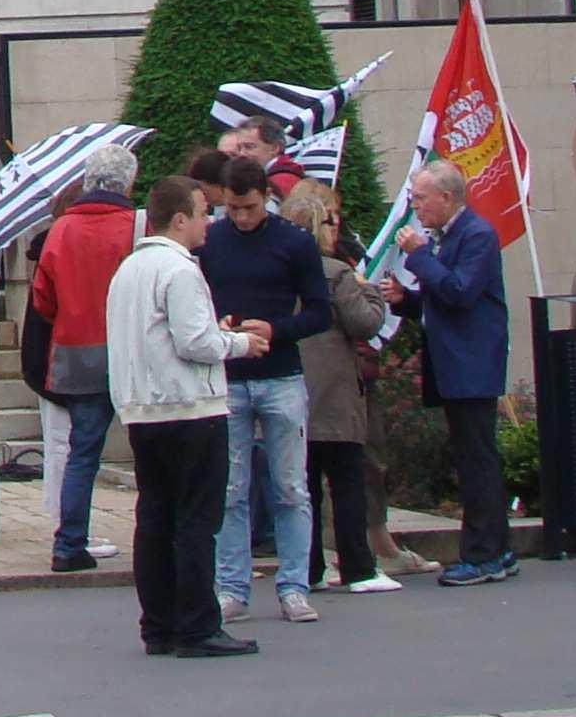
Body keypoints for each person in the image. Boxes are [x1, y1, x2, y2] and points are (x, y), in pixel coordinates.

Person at [106, 175, 270, 658]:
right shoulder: (180, 270)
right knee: (197, 521)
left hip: (142, 408)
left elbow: (160, 334)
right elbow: (194, 343)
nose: (210, 222)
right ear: (179, 219)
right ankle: (198, 626)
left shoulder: (129, 269)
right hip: (190, 408)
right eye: (203, 212)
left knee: (154, 518)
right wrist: (241, 343)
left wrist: (211, 333)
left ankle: (159, 624)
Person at [197, 154, 331, 625]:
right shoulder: (211, 240)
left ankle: (295, 585)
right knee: (231, 489)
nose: (241, 217)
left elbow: (321, 311)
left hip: (280, 375)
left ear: (267, 199)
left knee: (291, 487)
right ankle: (232, 587)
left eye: (249, 208)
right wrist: (218, 327)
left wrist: (277, 330)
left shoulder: (293, 242)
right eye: (232, 208)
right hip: (229, 378)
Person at [383, 157, 516, 585]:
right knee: (472, 457)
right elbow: (440, 298)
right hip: (453, 363)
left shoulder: (476, 234)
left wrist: (419, 257)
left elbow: (459, 292)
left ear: (446, 197)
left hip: (472, 364)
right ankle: (499, 547)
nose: (415, 206)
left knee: (477, 460)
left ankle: (484, 555)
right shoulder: (446, 236)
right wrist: (405, 299)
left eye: (420, 198)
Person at [24, 140, 138, 572]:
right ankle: (156, 539)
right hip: (130, 354)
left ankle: (69, 544)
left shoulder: (61, 230)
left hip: (75, 350)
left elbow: (42, 300)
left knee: (82, 452)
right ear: (127, 182)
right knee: (152, 449)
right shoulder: (135, 226)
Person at [289, 188, 396, 596]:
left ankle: (309, 566)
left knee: (304, 487)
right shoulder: (336, 274)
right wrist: (370, 290)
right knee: (347, 480)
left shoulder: (278, 269)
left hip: (295, 391)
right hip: (333, 391)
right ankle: (358, 566)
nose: (337, 229)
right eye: (331, 222)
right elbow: (365, 322)